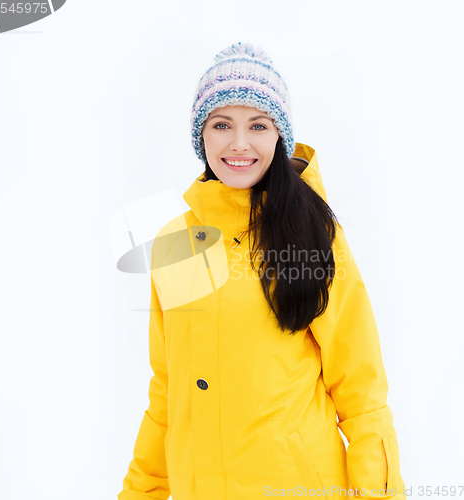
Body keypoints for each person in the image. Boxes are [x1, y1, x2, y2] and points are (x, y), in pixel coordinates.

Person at [118, 42, 406, 500]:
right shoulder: (175, 241)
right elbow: (167, 392)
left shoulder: (313, 233)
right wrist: (141, 492)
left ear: (278, 135)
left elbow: (361, 387)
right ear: (202, 136)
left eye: (258, 125)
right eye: (221, 124)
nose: (238, 143)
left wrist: (380, 494)